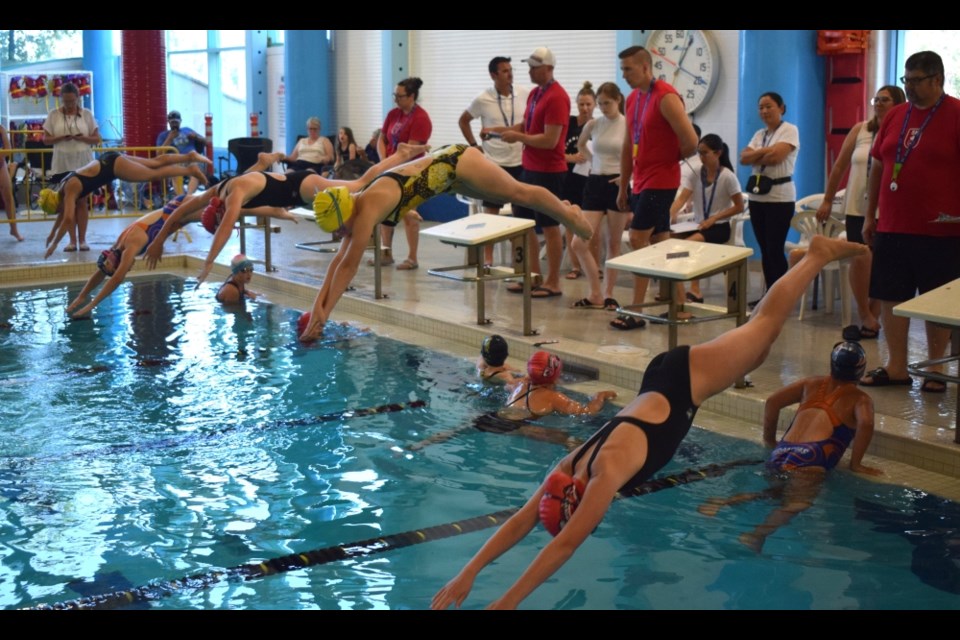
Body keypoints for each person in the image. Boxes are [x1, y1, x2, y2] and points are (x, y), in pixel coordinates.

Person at [431, 235, 868, 610]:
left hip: (683, 381)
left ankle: (816, 255)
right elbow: (520, 521)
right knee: (761, 343)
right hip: (664, 380)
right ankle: (800, 268)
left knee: (765, 326)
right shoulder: (565, 469)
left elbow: (564, 545)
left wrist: (509, 601)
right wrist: (468, 573)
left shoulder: (606, 473)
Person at [303, 144, 592, 342]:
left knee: (519, 193)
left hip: (456, 162)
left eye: (339, 229)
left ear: (346, 214)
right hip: (448, 179)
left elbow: (348, 267)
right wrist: (319, 309)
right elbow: (337, 263)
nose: (340, 235)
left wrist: (323, 317)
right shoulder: (354, 207)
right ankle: (562, 208)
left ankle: (569, 214)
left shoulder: (367, 209)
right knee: (517, 194)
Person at [143, 142, 430, 283]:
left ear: (218, 213)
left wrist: (207, 264)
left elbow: (227, 228)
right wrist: (158, 241)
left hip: (301, 185)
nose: (227, 219)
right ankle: (267, 160)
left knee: (360, 184)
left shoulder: (234, 196)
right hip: (290, 194)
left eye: (220, 221)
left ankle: (402, 156)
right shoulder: (215, 193)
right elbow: (182, 208)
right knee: (357, 190)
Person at [698, 341, 882, 553]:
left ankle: (723, 501)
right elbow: (866, 423)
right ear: (861, 370)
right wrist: (856, 464)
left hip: (781, 454)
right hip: (811, 459)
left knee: (775, 493)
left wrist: (770, 441)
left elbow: (772, 402)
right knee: (798, 503)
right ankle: (756, 535)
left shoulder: (811, 383)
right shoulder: (860, 398)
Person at [860, 51, 960, 393]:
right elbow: (877, 166)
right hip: (892, 224)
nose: (911, 88)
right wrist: (870, 213)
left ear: (937, 80)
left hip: (941, 229)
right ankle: (897, 366)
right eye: (907, 80)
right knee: (891, 297)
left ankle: (934, 368)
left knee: (935, 301)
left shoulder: (957, 114)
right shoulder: (895, 115)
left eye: (917, 81)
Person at [611, 45, 699, 330]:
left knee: (637, 239)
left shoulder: (667, 97)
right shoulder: (632, 99)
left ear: (646, 68)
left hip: (662, 180)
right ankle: (680, 307)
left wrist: (668, 160)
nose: (624, 75)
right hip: (642, 180)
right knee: (662, 242)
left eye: (628, 69)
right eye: (622, 69)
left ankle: (636, 310)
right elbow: (627, 145)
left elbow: (691, 141)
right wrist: (624, 185)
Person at [816, 86, 906, 342]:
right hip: (857, 206)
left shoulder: (901, 130)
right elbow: (840, 165)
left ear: (897, 103)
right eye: (875, 99)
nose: (878, 103)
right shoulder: (861, 130)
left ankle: (872, 319)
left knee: (883, 262)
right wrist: (827, 199)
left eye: (884, 100)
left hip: (886, 206)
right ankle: (865, 313)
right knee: (861, 257)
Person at [487, 47, 570, 299]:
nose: (529, 71)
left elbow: (550, 140)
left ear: (548, 68)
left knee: (549, 227)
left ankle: (553, 281)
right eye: (530, 66)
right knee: (524, 224)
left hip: (549, 172)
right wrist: (499, 131)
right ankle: (532, 276)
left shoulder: (557, 97)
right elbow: (526, 125)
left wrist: (518, 137)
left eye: (534, 67)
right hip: (529, 168)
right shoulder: (535, 94)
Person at [412, 350, 616, 451]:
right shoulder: (554, 397)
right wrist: (600, 396)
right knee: (566, 439)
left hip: (491, 417)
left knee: (456, 431)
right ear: (555, 376)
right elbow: (586, 411)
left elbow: (506, 383)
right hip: (518, 426)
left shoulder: (519, 385)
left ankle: (421, 444)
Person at [39, 150, 211, 258]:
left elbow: (68, 218)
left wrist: (55, 244)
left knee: (152, 174)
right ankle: (189, 156)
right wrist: (51, 234)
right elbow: (64, 214)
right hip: (109, 159)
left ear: (57, 203)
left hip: (113, 167)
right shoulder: (64, 187)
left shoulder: (70, 189)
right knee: (154, 162)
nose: (60, 212)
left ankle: (189, 170)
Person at [66, 194, 191, 317]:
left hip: (182, 209)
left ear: (120, 263)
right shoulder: (118, 245)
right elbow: (102, 271)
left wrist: (92, 305)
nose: (129, 269)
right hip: (178, 205)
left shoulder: (130, 248)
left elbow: (117, 278)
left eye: (126, 268)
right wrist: (82, 296)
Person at [459, 56, 529, 266]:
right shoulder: (483, 98)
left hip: (520, 161)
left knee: (521, 213)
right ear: (493, 75)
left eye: (511, 69)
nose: (510, 74)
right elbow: (463, 121)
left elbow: (527, 124)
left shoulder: (524, 93)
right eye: (505, 71)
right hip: (494, 163)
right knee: (491, 214)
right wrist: (473, 145)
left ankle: (519, 259)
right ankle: (488, 258)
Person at [569, 82, 628, 310]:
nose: (603, 108)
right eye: (600, 103)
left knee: (612, 243)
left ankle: (609, 293)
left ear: (618, 101)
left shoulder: (626, 125)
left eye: (607, 103)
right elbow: (582, 145)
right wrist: (592, 160)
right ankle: (595, 292)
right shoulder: (594, 124)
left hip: (617, 183)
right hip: (595, 181)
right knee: (579, 242)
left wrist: (626, 177)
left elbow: (637, 154)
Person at [667, 133, 744, 307]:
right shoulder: (696, 174)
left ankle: (695, 290)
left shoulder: (727, 176)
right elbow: (681, 199)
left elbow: (739, 206)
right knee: (667, 240)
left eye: (704, 153)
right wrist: (669, 215)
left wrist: (715, 217)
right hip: (698, 224)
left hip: (719, 227)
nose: (701, 157)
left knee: (689, 245)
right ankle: (672, 287)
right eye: (699, 153)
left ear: (718, 153)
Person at [740, 91, 800, 303]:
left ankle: (780, 297)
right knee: (765, 249)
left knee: (775, 248)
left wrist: (760, 153)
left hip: (780, 198)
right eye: (761, 107)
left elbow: (776, 157)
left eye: (769, 106)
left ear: (781, 108)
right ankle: (768, 296)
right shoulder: (760, 134)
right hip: (758, 198)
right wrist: (765, 150)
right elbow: (743, 158)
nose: (764, 111)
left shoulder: (789, 130)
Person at [375, 77, 432, 271]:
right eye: (395, 96)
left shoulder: (421, 119)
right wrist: (384, 161)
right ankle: (386, 252)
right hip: (389, 168)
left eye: (400, 96)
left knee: (410, 214)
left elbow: (410, 151)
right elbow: (381, 139)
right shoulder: (393, 114)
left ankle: (412, 257)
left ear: (412, 96)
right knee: (384, 212)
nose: (396, 100)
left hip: (411, 172)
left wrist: (390, 165)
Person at [42, 81, 100, 252]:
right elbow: (46, 140)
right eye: (66, 101)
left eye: (72, 101)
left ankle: (82, 240)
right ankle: (71, 241)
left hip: (83, 162)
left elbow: (96, 139)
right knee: (67, 203)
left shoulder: (87, 114)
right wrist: (61, 138)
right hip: (62, 163)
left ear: (78, 99)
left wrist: (83, 138)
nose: (69, 105)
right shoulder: (54, 115)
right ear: (61, 99)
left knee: (81, 201)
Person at [562, 82, 596, 281]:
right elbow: (554, 151)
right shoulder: (568, 125)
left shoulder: (597, 126)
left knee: (589, 224)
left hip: (589, 179)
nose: (585, 108)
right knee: (570, 222)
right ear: (576, 104)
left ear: (595, 105)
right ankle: (575, 266)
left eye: (589, 104)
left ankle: (590, 264)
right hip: (568, 179)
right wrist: (571, 158)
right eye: (582, 104)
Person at [156, 110, 209, 195]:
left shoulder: (186, 130)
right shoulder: (164, 135)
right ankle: (181, 196)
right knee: (175, 172)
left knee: (195, 170)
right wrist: (169, 139)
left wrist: (195, 137)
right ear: (168, 122)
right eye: (172, 122)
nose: (174, 124)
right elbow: (158, 154)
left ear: (180, 122)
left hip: (192, 157)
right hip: (176, 160)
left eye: (176, 122)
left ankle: (188, 195)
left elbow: (206, 141)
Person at [0, 123, 23, 241]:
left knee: (8, 197)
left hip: (0, 163)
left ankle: (14, 229)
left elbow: (8, 149)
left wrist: (1, 156)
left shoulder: (1, 128)